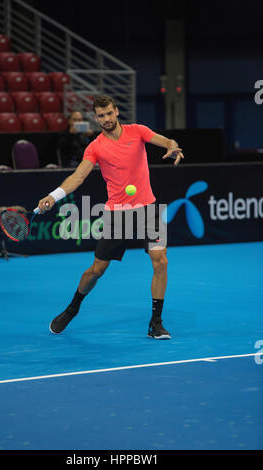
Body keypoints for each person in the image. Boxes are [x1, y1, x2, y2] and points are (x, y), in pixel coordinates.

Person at [38, 95, 184, 339]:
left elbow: (166, 141)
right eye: (101, 116)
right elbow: (78, 177)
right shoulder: (95, 146)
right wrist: (54, 196)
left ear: (116, 112)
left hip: (148, 208)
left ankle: (155, 323)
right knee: (97, 270)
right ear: (96, 118)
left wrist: (172, 146)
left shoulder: (138, 131)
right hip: (117, 214)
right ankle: (73, 307)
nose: (105, 119)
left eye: (109, 113)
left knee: (161, 261)